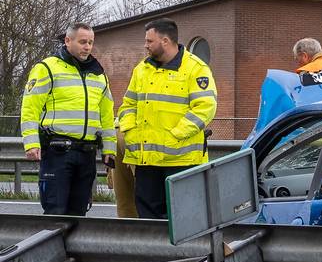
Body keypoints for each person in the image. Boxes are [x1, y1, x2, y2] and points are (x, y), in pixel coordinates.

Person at [119, 18, 218, 219]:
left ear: (165, 41)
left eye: (149, 41)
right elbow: (128, 104)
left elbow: (205, 108)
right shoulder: (142, 69)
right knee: (148, 218)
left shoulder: (195, 68)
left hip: (181, 160)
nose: (145, 45)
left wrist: (175, 135)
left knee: (183, 218)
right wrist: (129, 132)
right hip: (147, 160)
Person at [19, 22, 116, 216]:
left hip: (87, 153)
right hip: (58, 153)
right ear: (67, 40)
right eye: (82, 42)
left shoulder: (98, 73)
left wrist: (110, 149)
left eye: (90, 42)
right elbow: (30, 108)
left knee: (79, 213)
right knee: (56, 211)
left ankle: (72, 248)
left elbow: (106, 114)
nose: (87, 47)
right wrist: (31, 143)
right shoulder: (47, 68)